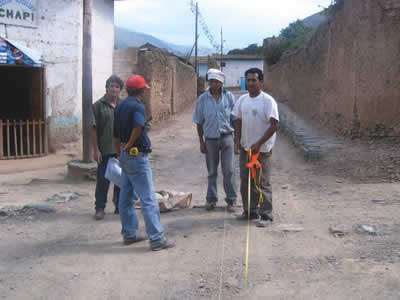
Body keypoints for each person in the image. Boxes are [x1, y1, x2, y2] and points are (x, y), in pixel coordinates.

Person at [113, 75, 175, 251]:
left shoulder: (120, 106)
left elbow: (115, 133)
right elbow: (139, 126)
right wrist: (131, 144)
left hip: (125, 158)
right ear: (141, 91)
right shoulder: (138, 106)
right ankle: (156, 239)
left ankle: (129, 234)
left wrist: (119, 151)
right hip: (137, 156)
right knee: (148, 199)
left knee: (125, 198)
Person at [232, 68, 279, 227]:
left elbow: (274, 125)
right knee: (246, 181)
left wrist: (259, 143)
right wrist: (237, 141)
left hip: (262, 150)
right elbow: (237, 120)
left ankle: (266, 214)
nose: (251, 83)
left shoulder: (268, 101)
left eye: (254, 80)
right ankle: (249, 211)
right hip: (246, 148)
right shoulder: (242, 100)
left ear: (261, 82)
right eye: (248, 80)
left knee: (262, 182)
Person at [193, 68, 237, 212]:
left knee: (229, 171)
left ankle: (231, 199)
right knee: (212, 171)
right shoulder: (203, 99)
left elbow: (235, 119)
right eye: (211, 81)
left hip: (227, 138)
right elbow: (199, 121)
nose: (213, 84)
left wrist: (236, 141)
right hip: (210, 140)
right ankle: (211, 199)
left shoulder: (229, 96)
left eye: (216, 81)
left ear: (221, 83)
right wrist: (201, 141)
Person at [91, 75, 123, 220]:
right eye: (111, 86)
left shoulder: (123, 105)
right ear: (106, 88)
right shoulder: (98, 106)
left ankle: (119, 206)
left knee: (120, 180)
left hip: (121, 150)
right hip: (105, 150)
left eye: (117, 86)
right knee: (103, 181)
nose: (114, 89)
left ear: (120, 89)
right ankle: (100, 208)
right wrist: (95, 149)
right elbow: (93, 128)